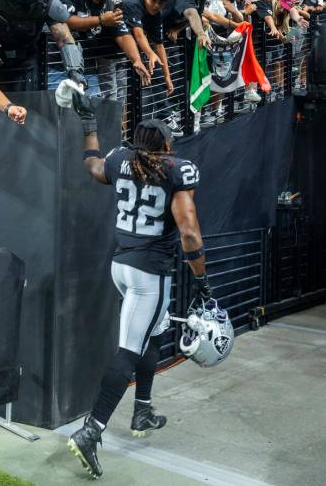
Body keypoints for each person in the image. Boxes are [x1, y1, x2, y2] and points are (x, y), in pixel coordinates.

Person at [67, 108, 211, 479]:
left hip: (121, 266)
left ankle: (142, 409)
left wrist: (89, 129)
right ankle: (92, 429)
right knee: (129, 350)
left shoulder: (119, 159)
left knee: (156, 334)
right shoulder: (175, 169)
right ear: (164, 144)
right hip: (150, 274)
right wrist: (201, 280)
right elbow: (190, 233)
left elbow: (93, 166)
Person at [55, 0, 154, 100]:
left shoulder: (108, 3)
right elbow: (64, 20)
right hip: (57, 63)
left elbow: (122, 33)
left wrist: (136, 60)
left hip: (86, 66)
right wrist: (100, 20)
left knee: (84, 107)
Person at [121, 0, 182, 136]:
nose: (156, 6)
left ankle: (160, 118)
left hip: (133, 50)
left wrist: (168, 76)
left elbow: (159, 45)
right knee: (121, 94)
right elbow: (139, 34)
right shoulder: (132, 4)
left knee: (154, 77)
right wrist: (150, 53)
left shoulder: (157, 14)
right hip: (115, 49)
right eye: (153, 0)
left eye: (161, 3)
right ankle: (125, 132)